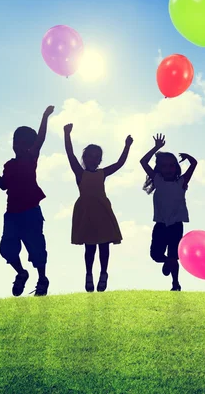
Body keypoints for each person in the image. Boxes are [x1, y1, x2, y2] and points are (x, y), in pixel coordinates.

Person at [0, 106, 54, 297]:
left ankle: (42, 279)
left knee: (36, 247)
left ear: (28, 145)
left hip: (31, 212)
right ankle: (21, 273)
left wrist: (44, 116)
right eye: (15, 140)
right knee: (7, 249)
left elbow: (41, 139)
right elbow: (3, 185)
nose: (17, 144)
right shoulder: (9, 165)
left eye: (23, 142)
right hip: (12, 214)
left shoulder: (30, 158)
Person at [64, 123, 133, 292]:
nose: (93, 159)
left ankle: (103, 273)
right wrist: (67, 134)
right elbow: (70, 155)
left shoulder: (102, 173)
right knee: (89, 247)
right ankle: (88, 274)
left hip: (102, 211)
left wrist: (127, 146)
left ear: (100, 160)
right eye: (90, 156)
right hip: (86, 212)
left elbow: (120, 163)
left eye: (97, 157)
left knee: (104, 245)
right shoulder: (80, 173)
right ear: (85, 158)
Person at [140, 134, 197, 291]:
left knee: (174, 256)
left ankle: (175, 284)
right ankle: (167, 262)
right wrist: (156, 148)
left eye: (172, 165)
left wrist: (188, 157)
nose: (169, 169)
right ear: (159, 169)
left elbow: (194, 164)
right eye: (164, 166)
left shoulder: (181, 182)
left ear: (176, 168)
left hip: (176, 226)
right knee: (156, 255)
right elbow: (143, 162)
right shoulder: (158, 180)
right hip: (160, 225)